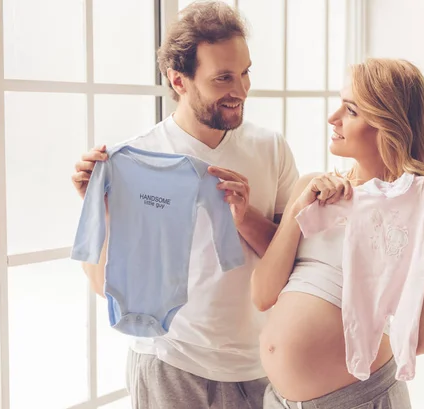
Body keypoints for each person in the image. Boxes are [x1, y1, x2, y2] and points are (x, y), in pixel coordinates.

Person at [71, 2, 299, 408]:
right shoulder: (138, 158)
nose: (241, 90)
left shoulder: (272, 149)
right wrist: (103, 209)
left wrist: (245, 219)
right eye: (223, 78)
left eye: (245, 72)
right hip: (170, 366)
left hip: (259, 366)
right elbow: (100, 284)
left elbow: (292, 261)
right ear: (179, 81)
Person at [251, 58, 424, 409]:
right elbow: (262, 294)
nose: (332, 118)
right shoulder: (312, 188)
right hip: (278, 402)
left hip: (360, 400)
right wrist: (297, 210)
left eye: (350, 110)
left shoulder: (420, 209)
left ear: (389, 125)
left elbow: (423, 339)